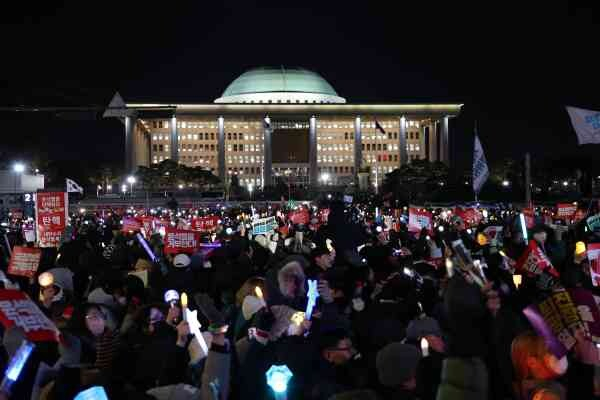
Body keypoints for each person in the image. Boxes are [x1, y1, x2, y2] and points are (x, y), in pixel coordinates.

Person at [510, 331, 567, 400]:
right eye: (548, 352)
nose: (555, 355)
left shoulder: (541, 387)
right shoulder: (546, 396)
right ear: (532, 362)